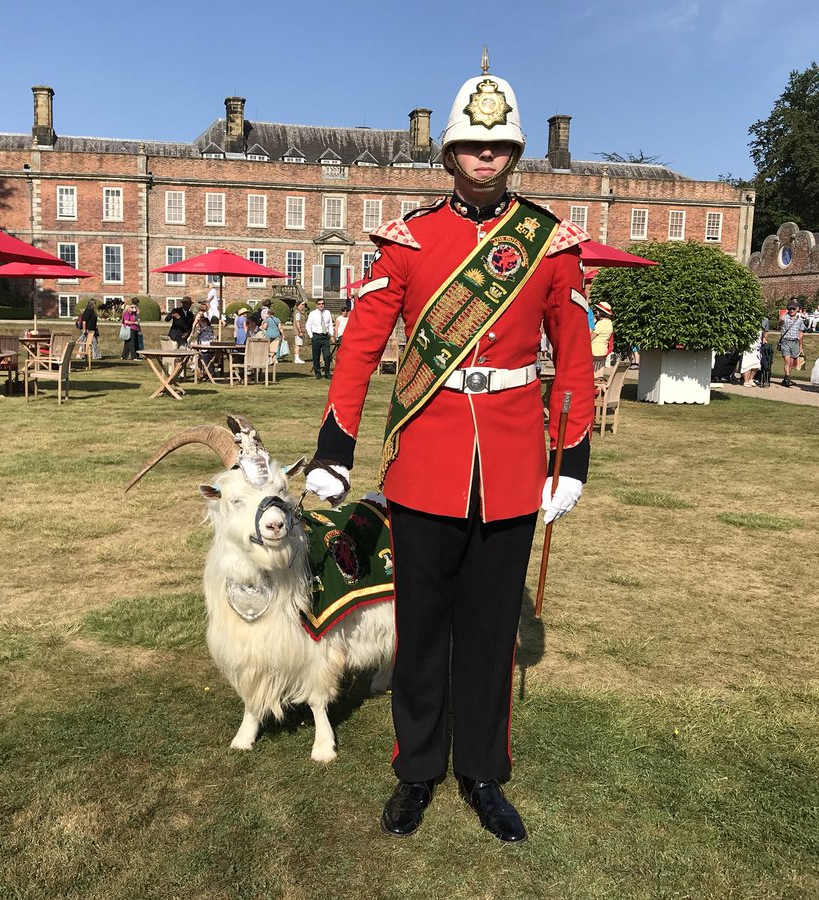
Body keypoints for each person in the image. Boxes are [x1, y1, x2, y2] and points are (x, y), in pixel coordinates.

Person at [304, 61, 594, 844]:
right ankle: (416, 770)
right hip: (425, 461)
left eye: (499, 146)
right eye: (472, 144)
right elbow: (362, 348)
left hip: (508, 467)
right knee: (424, 627)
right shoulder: (411, 240)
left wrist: (570, 460)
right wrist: (336, 446)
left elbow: (573, 358)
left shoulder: (549, 244)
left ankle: (485, 775)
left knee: (493, 629)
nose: (485, 157)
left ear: (516, 153)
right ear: (450, 154)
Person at [777, 300, 806, 387]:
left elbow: (801, 333)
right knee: (787, 361)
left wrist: (801, 345)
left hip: (795, 342)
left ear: (797, 309)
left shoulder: (800, 319)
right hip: (786, 341)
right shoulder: (785, 318)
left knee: (791, 363)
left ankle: (786, 379)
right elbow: (779, 325)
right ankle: (788, 378)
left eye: (793, 309)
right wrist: (780, 321)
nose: (792, 311)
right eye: (790, 309)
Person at [305, 298, 335, 379]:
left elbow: (330, 325)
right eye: (319, 304)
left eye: (322, 303)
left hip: (325, 336)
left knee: (327, 355)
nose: (321, 305)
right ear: (316, 305)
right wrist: (311, 336)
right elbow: (308, 325)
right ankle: (318, 373)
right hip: (316, 336)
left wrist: (331, 335)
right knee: (316, 356)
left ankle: (327, 373)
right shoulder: (312, 314)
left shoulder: (327, 312)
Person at [590, 299, 614, 376]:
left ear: (601, 312)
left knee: (594, 374)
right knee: (599, 374)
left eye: (597, 310)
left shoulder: (600, 324)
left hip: (594, 351)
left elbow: (590, 338)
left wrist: (593, 323)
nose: (596, 311)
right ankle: (600, 387)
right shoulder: (609, 323)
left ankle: (597, 386)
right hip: (603, 350)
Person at [740, 320, 765, 387]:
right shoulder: (748, 328)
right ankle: (746, 381)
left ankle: (750, 379)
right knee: (747, 365)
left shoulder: (759, 329)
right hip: (748, 348)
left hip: (756, 349)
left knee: (756, 365)